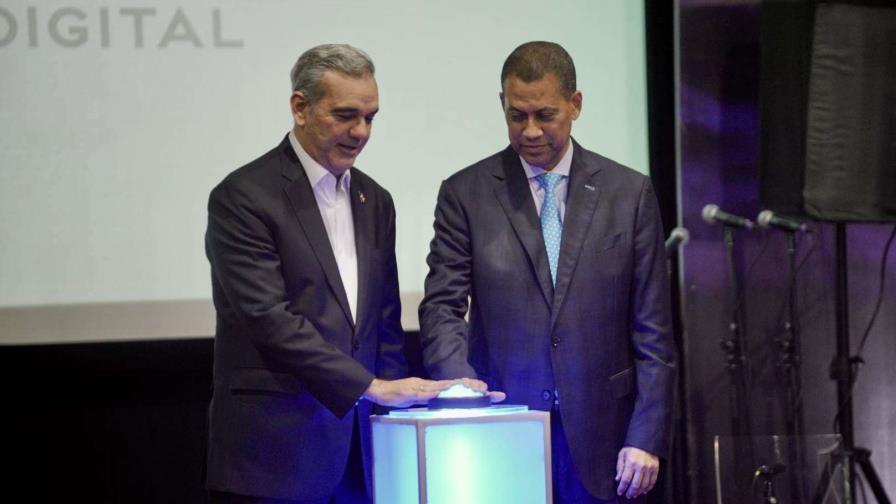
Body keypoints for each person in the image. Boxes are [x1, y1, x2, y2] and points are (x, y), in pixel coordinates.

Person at [418, 41, 676, 503]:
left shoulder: (629, 193)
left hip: (608, 439)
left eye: (545, 115)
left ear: (575, 105)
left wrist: (646, 434)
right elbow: (442, 306)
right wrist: (459, 388)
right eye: (517, 116)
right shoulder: (465, 194)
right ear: (502, 104)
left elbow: (653, 328)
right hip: (502, 429)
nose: (531, 130)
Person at [205, 44, 459, 504]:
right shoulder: (243, 197)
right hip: (276, 456)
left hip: (362, 457)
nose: (360, 132)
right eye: (345, 115)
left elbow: (383, 322)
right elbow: (267, 317)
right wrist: (369, 386)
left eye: (370, 118)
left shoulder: (375, 200)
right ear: (300, 107)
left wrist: (392, 421)